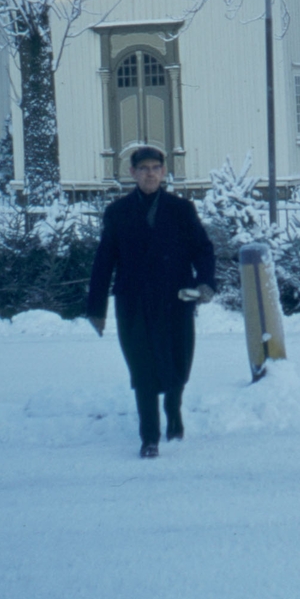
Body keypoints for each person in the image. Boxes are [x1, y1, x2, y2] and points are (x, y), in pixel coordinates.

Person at [87, 146, 216, 459]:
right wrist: (96, 308)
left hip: (175, 301)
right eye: (143, 168)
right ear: (132, 173)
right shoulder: (118, 213)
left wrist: (205, 282)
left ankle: (173, 409)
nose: (149, 173)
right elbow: (104, 261)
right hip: (134, 304)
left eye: (155, 167)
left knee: (179, 364)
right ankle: (149, 437)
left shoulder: (181, 210)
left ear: (163, 172)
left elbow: (203, 249)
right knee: (142, 369)